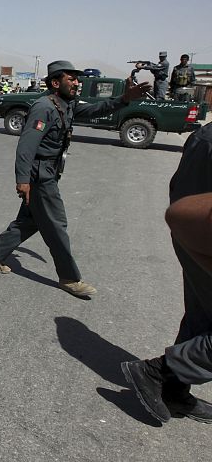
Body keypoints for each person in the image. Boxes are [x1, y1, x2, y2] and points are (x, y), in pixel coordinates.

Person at [0, 60, 149, 297]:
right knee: (57, 225)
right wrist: (23, 179)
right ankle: (69, 278)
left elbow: (94, 110)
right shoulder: (43, 107)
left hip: (49, 171)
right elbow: (26, 145)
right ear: (56, 82)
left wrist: (124, 99)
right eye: (72, 79)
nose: (77, 83)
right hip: (40, 175)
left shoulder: (65, 104)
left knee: (30, 220)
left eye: (77, 79)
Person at [121, 122, 212, 424]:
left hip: (200, 241)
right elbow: (184, 208)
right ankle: (158, 372)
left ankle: (173, 388)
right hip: (202, 243)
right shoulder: (209, 139)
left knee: (202, 318)